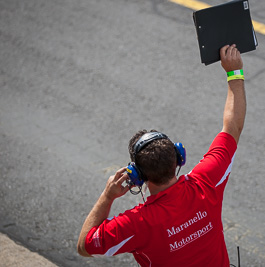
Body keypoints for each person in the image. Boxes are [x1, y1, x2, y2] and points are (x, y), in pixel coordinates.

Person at [77, 44, 246, 266]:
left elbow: (85, 246)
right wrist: (234, 72)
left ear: (136, 175)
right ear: (179, 157)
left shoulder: (137, 223)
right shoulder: (206, 183)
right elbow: (232, 127)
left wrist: (108, 196)